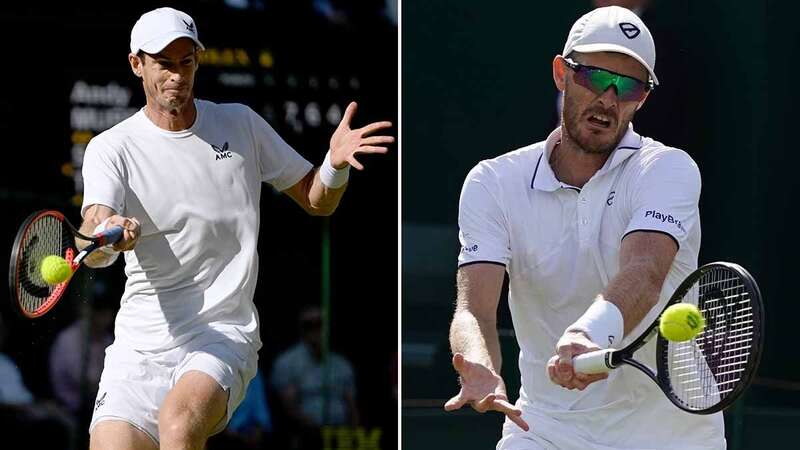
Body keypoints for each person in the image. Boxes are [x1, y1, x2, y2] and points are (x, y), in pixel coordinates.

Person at [79, 7, 392, 450]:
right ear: (137, 65)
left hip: (221, 334)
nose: (177, 75)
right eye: (164, 63)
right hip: (136, 352)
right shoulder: (111, 148)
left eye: (186, 61)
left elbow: (317, 199)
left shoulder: (241, 123)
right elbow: (94, 230)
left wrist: (334, 165)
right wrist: (107, 232)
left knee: (179, 425)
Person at [445, 6, 724, 449]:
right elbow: (474, 309)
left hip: (673, 434)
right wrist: (479, 363)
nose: (608, 100)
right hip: (546, 427)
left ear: (643, 99)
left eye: (628, 86)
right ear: (562, 73)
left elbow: (645, 273)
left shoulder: (668, 169)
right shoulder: (492, 183)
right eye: (595, 77)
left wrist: (587, 335)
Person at [270, 306, 358, 447]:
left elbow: (351, 406)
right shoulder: (287, 363)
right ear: (301, 329)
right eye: (308, 325)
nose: (315, 330)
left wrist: (352, 437)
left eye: (320, 323)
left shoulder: (342, 365)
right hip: (306, 435)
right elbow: (289, 407)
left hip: (340, 434)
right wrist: (315, 429)